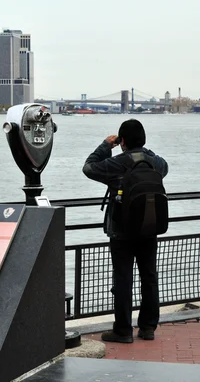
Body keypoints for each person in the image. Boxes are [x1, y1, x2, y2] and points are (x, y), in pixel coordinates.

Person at [82, 119, 168, 343]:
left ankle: (123, 331)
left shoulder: (117, 163)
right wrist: (144, 151)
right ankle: (148, 328)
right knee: (149, 277)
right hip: (150, 227)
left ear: (122, 141)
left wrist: (105, 146)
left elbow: (89, 167)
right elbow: (164, 167)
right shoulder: (156, 163)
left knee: (123, 279)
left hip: (121, 230)